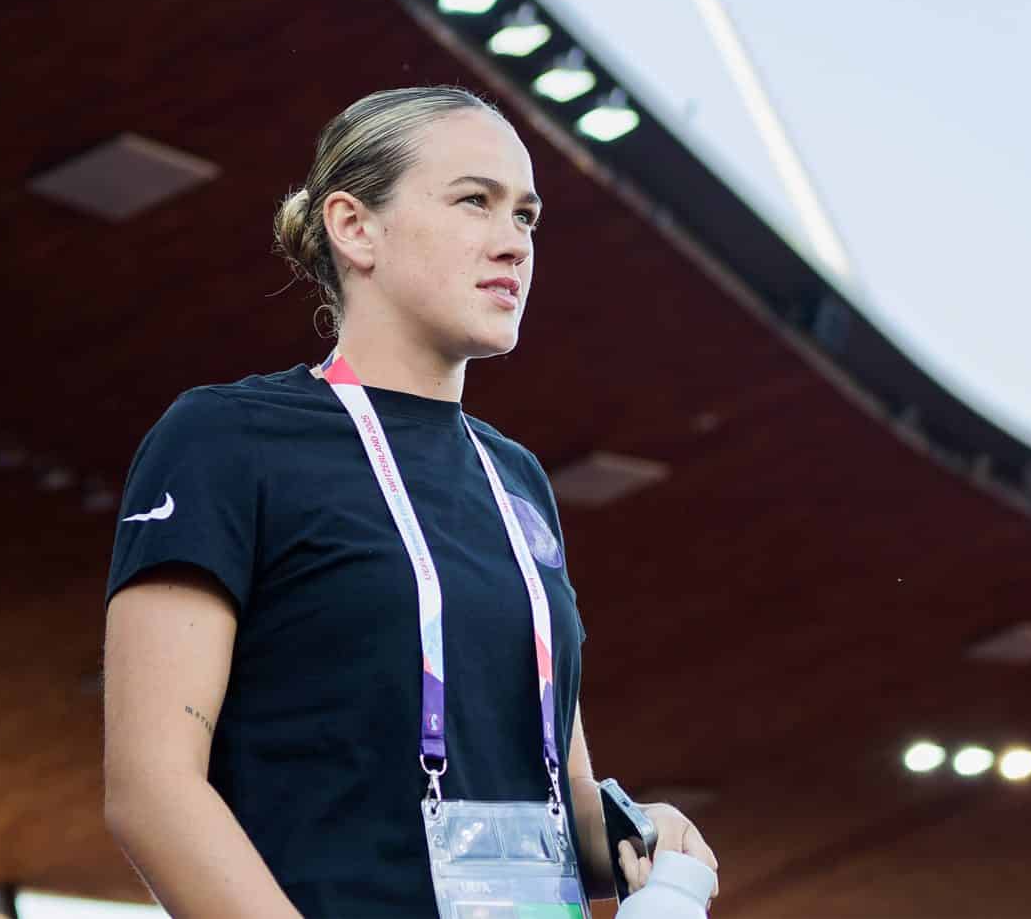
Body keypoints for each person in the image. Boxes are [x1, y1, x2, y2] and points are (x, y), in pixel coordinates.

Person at [101, 85, 719, 916]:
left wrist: (638, 830)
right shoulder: (224, 439)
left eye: (527, 217)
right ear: (354, 226)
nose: (513, 242)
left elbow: (549, 787)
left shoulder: (517, 479)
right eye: (476, 201)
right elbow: (152, 790)